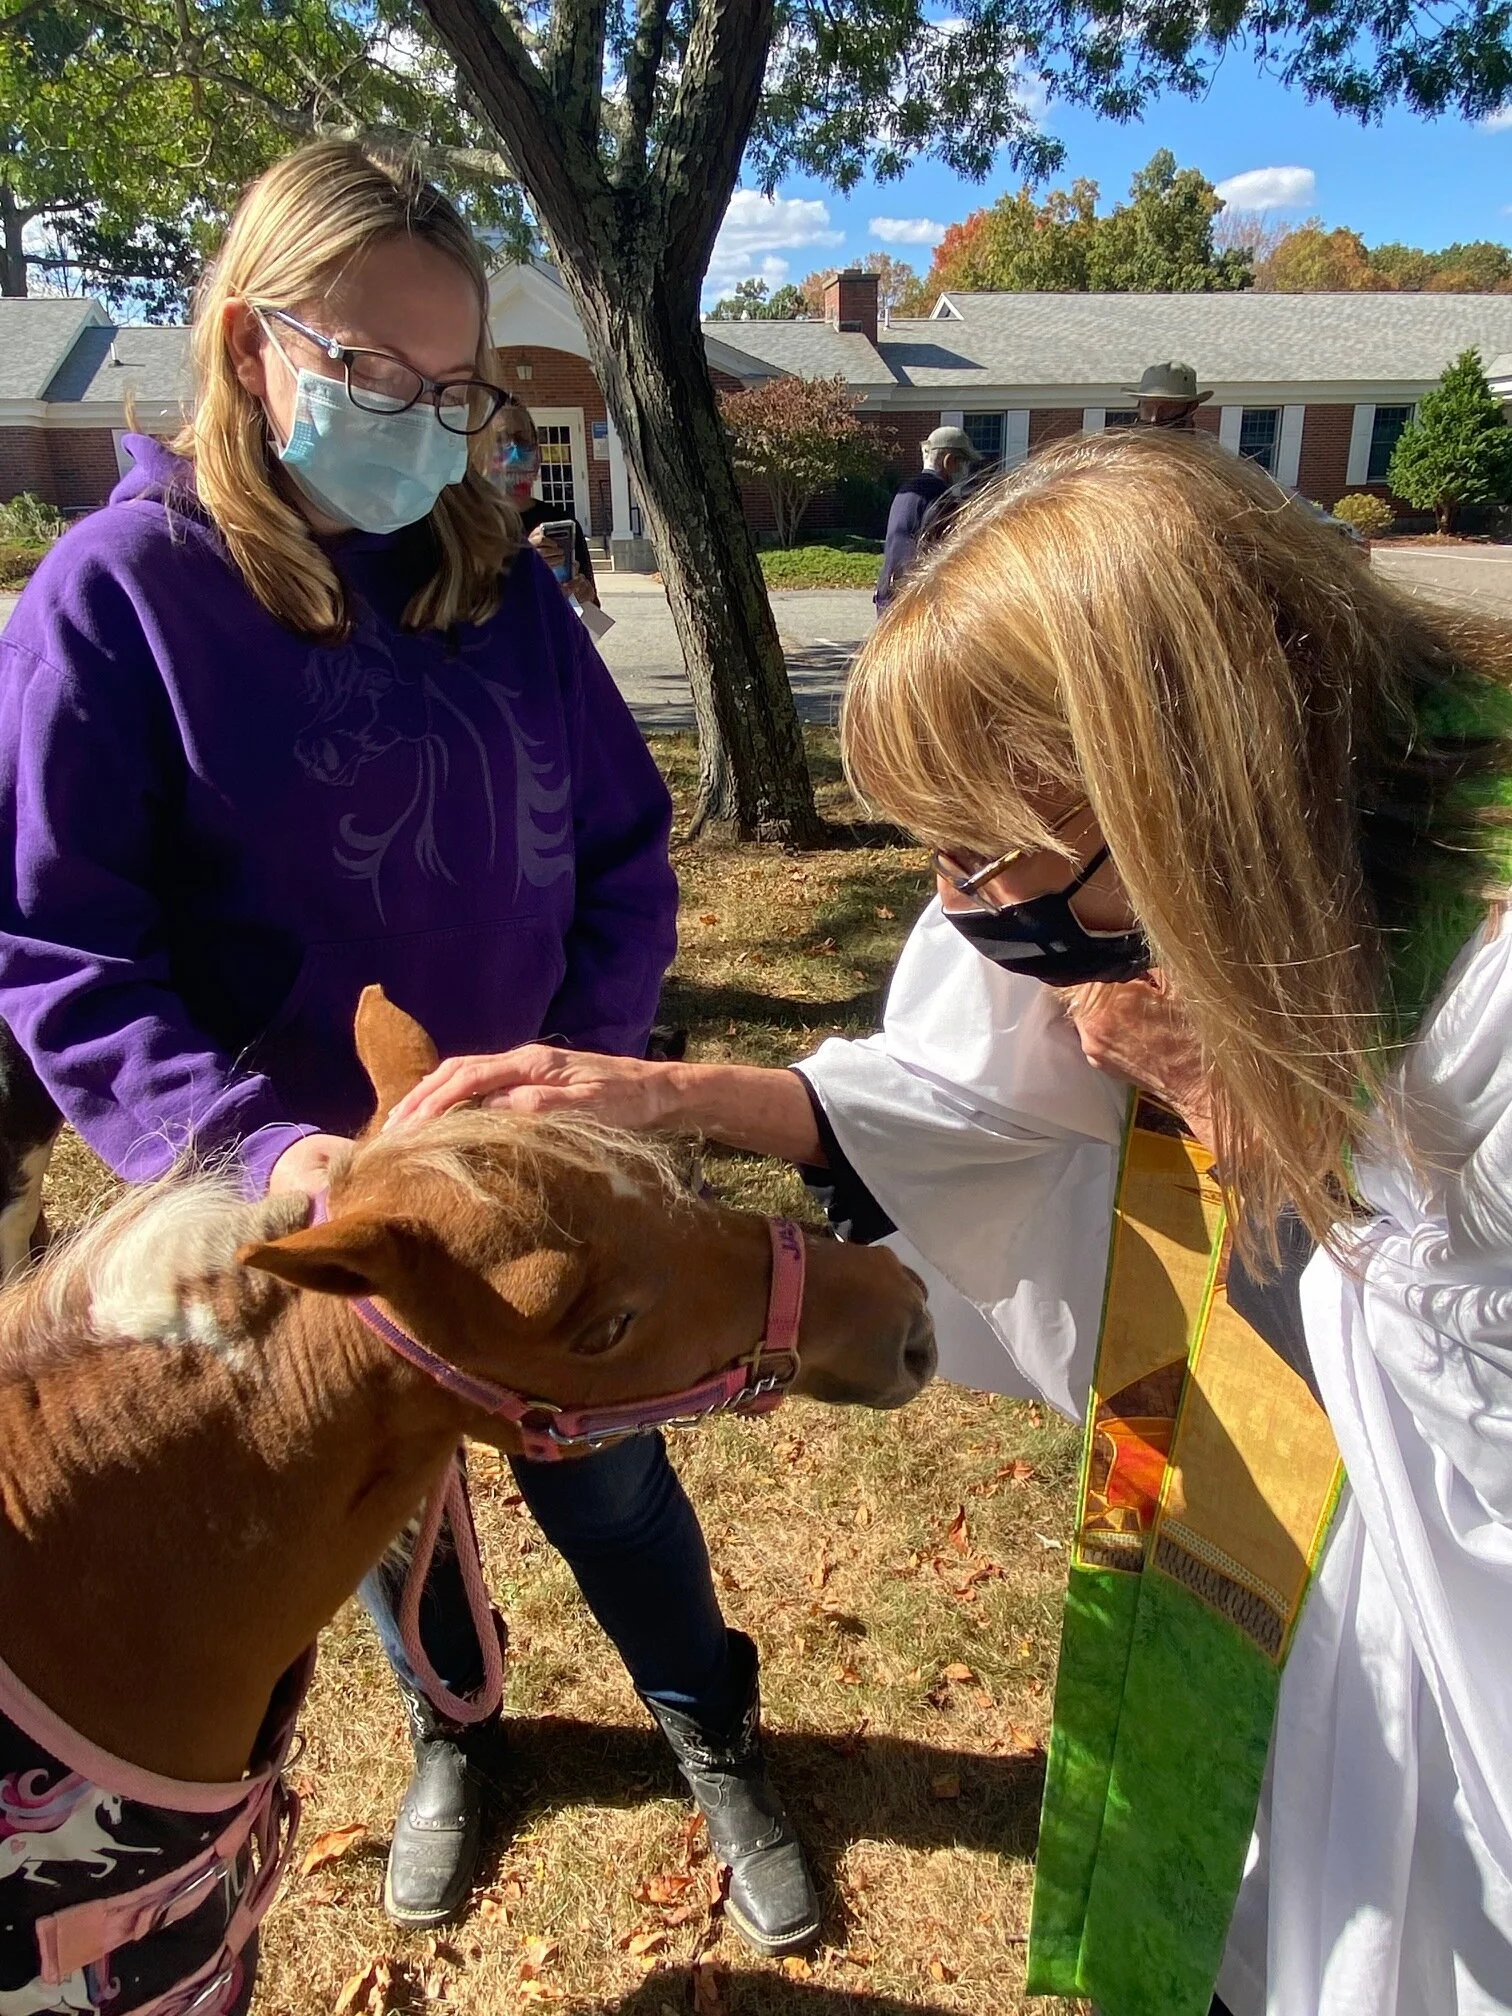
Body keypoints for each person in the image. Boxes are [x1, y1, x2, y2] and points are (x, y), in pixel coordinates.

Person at [391, 428, 1512, 2015]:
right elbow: (976, 1104)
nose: (961, 905)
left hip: (1448, 1706)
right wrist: (664, 1094)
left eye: (982, 853)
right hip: (1285, 1622)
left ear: (1186, 785)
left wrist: (1296, 1135)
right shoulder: (1206, 894)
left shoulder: (1484, 999)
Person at [0, 139, 821, 1957]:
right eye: (376, 372)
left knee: (610, 1473)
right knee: (379, 1510)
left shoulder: (496, 588)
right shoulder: (116, 600)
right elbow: (62, 947)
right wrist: (264, 1155)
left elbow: (622, 855)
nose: (422, 423)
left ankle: (709, 1721)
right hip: (320, 1211)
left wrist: (579, 1096)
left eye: (454, 388)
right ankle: (461, 1728)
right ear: (250, 345)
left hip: (539, 1183)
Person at [489, 397, 600, 606]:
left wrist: (584, 597)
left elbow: (590, 617)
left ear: (537, 454)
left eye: (522, 440)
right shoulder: (465, 525)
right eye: (500, 440)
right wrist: (524, 561)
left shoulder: (562, 524)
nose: (514, 451)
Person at [874, 424, 983, 607]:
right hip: (916, 598)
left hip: (888, 591)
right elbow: (946, 553)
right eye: (964, 463)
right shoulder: (942, 498)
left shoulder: (907, 489)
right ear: (949, 461)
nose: (966, 471)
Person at [1128, 360, 1210, 430]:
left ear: (1192, 408)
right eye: (1148, 409)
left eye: (1166, 409)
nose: (1154, 419)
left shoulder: (1205, 444)